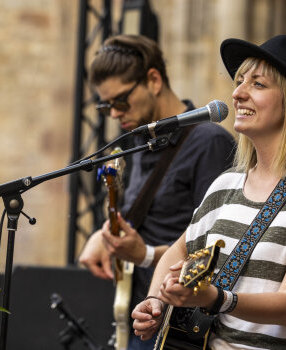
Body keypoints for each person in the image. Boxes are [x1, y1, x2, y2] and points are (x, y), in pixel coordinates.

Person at [131, 34, 286, 350]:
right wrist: (155, 300)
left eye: (257, 84)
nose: (237, 93)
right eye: (239, 82)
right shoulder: (226, 183)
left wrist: (218, 298)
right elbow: (177, 251)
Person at [77, 34, 235, 349]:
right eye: (105, 105)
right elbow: (143, 217)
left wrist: (146, 256)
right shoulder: (137, 141)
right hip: (139, 318)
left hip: (182, 328)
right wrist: (103, 236)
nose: (113, 113)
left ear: (153, 79)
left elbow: (219, 250)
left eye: (120, 101)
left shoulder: (209, 143)